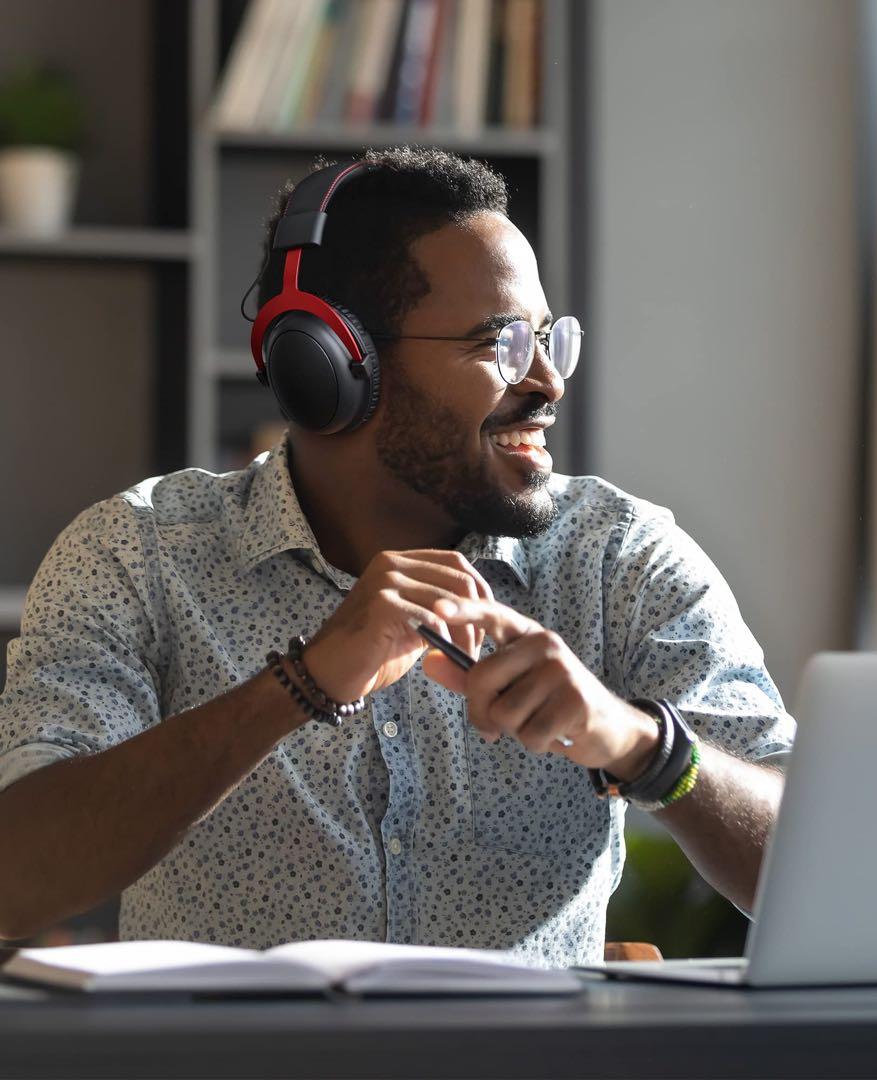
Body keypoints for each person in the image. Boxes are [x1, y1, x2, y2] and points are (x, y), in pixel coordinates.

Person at [0, 147, 794, 965]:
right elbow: (16, 882)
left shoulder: (618, 557)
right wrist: (299, 686)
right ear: (332, 365)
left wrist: (642, 747)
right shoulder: (139, 553)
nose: (549, 382)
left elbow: (823, 864)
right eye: (501, 343)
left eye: (548, 340)